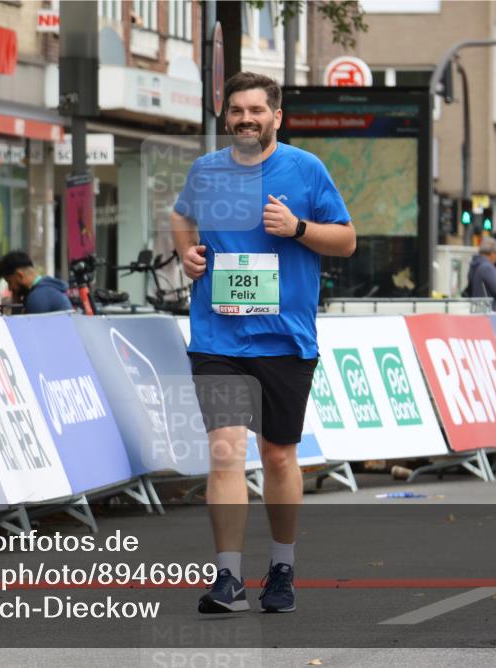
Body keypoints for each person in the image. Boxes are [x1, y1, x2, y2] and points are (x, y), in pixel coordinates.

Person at [171, 71, 355, 614]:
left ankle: (282, 566)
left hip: (284, 339)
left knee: (278, 456)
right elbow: (182, 217)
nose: (245, 118)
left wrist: (298, 228)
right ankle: (227, 579)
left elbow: (345, 239)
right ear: (226, 117)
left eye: (256, 110)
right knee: (225, 450)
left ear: (277, 116)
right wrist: (187, 255)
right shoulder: (205, 172)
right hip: (218, 337)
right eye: (236, 111)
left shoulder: (305, 170)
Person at [0, 250, 72, 314]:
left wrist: (16, 308)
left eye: (9, 282)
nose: (10, 288)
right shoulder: (47, 290)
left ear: (19, 275)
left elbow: (23, 331)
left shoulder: (37, 297)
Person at [468, 236, 496, 312]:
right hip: (492, 310)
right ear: (492, 253)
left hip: (479, 309)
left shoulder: (474, 265)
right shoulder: (487, 267)